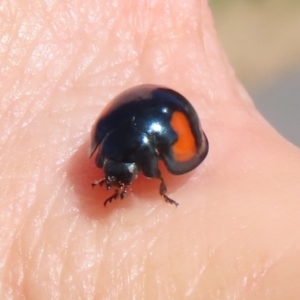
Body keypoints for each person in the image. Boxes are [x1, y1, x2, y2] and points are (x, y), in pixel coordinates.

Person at [1, 0, 300, 298]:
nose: (116, 182)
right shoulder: (104, 138)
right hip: (140, 119)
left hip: (157, 115)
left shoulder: (135, 150)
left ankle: (163, 195)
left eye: (119, 176)